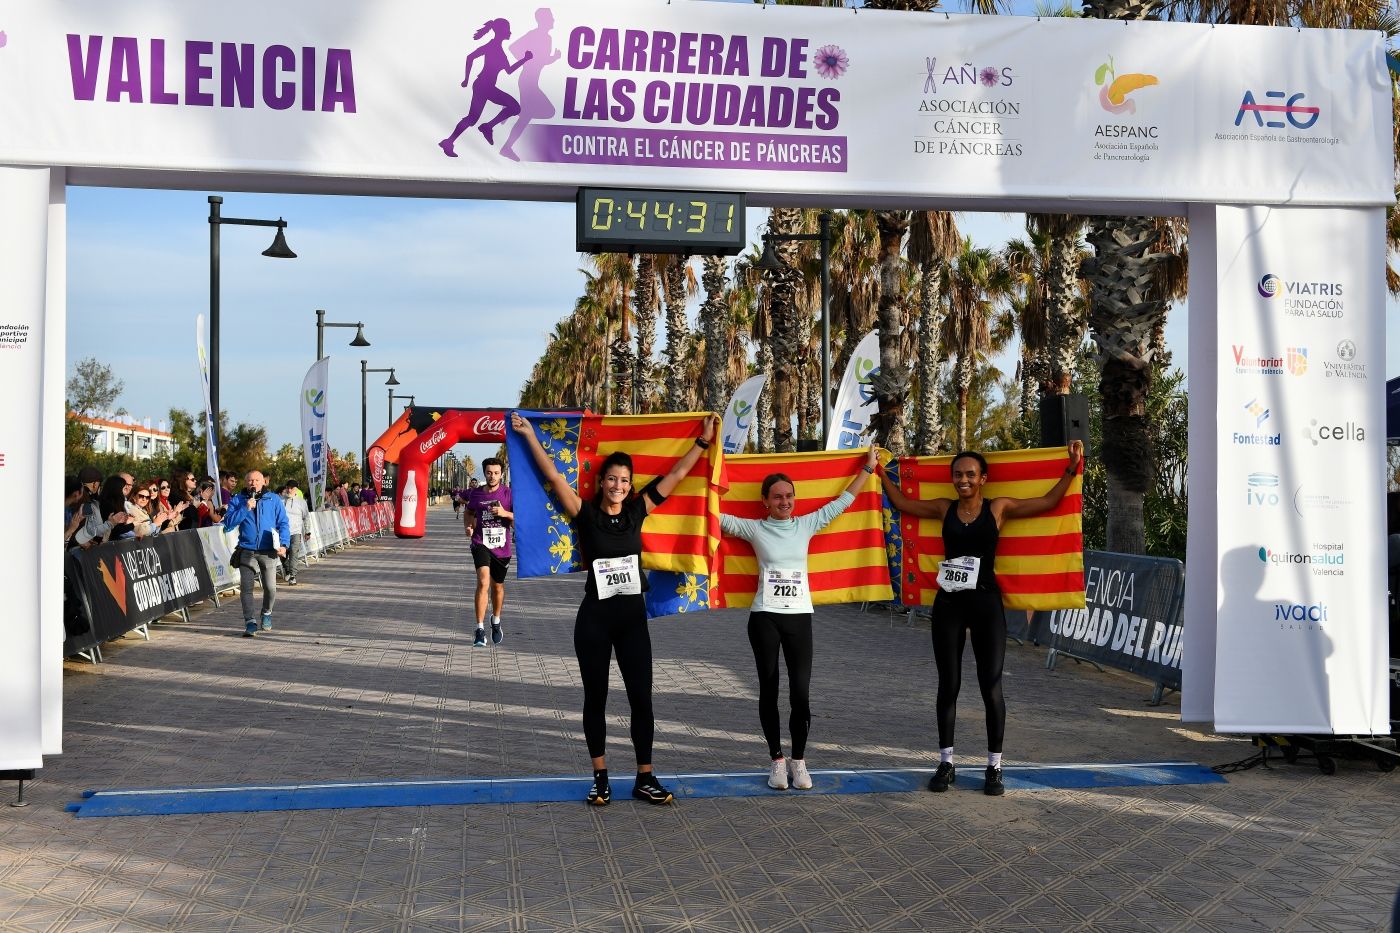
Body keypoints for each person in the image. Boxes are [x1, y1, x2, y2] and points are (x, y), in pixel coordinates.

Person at [510, 411, 717, 806]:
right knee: (596, 699)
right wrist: (529, 436)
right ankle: (600, 777)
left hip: (632, 621)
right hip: (595, 620)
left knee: (642, 697)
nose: (618, 486)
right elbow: (554, 477)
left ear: (630, 485)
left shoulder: (638, 511)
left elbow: (674, 478)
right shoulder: (585, 515)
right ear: (601, 482)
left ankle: (645, 777)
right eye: (612, 479)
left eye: (625, 480)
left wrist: (703, 443)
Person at [879, 441, 1084, 797]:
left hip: (987, 603)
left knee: (991, 686)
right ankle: (946, 763)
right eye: (958, 474)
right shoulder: (944, 508)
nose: (963, 480)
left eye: (970, 474)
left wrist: (1072, 467)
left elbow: (1048, 503)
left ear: (983, 479)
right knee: (949, 684)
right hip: (950, 604)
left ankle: (994, 767)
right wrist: (879, 470)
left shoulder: (998, 508)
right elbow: (900, 503)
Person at [719, 446, 880, 791]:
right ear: (765, 501)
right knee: (768, 690)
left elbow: (843, 502)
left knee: (800, 694)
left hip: (799, 619)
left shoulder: (806, 524)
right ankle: (776, 761)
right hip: (764, 618)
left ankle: (800, 762)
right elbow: (713, 517)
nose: (784, 502)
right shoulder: (754, 529)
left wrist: (868, 468)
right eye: (777, 497)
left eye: (789, 496)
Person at [438, 18, 533, 156]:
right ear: (501, 31)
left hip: (487, 87)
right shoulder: (492, 46)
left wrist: (525, 59)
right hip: (483, 86)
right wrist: (466, 79)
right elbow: (470, 57)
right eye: (508, 29)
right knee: (473, 118)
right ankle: (456, 139)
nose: (510, 32)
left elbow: (509, 70)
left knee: (512, 108)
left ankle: (485, 127)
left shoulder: (498, 49)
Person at [222, 469, 290, 638]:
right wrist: (245, 508)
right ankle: (250, 622)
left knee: (271, 588)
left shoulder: (273, 499)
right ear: (246, 483)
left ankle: (266, 613)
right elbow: (228, 524)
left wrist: (284, 544)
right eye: (250, 480)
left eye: (257, 480)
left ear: (263, 482)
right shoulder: (238, 499)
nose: (253, 483)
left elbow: (283, 523)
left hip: (269, 551)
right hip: (247, 550)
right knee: (246, 588)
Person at [464, 458, 514, 647]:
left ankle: (496, 620)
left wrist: (505, 514)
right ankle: (479, 629)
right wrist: (468, 527)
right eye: (488, 473)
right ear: (484, 473)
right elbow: (469, 512)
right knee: (483, 581)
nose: (492, 476)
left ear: (501, 474)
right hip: (480, 543)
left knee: (497, 587)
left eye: (495, 473)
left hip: (502, 547)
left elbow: (521, 519)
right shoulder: (476, 494)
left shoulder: (509, 495)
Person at [279, 483, 310, 586]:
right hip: (282, 532)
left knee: (293, 552)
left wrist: (307, 531)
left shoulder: (301, 502)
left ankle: (292, 576)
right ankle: (287, 569)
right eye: (287, 487)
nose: (289, 490)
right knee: (281, 553)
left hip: (296, 532)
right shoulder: (280, 500)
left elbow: (306, 517)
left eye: (291, 488)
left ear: (296, 489)